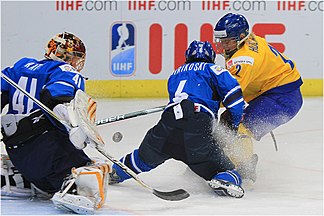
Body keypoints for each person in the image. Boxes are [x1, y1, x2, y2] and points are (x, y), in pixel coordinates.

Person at [109, 40, 246, 198]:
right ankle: (224, 179)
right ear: (211, 57)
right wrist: (234, 124)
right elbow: (235, 98)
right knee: (227, 170)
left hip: (168, 123)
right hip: (197, 126)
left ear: (187, 56)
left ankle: (113, 172)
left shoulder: (175, 74)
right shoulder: (214, 69)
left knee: (143, 158)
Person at [1, 32, 110, 214]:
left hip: (17, 152)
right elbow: (55, 99)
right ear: (66, 55)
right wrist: (74, 126)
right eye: (75, 57)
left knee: (44, 170)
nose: (76, 63)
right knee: (92, 170)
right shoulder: (65, 71)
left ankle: (20, 180)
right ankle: (73, 190)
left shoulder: (21, 65)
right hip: (49, 150)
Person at [213, 13, 303, 182]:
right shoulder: (247, 42)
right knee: (226, 120)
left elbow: (231, 96)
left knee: (240, 125)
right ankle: (220, 160)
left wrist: (198, 101)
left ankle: (243, 170)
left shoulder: (243, 60)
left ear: (240, 37)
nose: (223, 46)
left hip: (282, 99)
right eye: (221, 41)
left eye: (227, 41)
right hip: (275, 94)